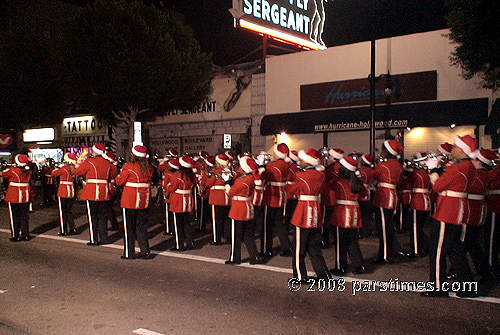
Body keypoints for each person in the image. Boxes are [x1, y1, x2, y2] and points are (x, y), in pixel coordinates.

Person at [421, 135, 478, 298]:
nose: (452, 149)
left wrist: (432, 170)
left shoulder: (457, 168)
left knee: (437, 250)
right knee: (456, 251)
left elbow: (438, 186)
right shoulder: (469, 166)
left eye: (455, 146)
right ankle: (468, 286)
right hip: (458, 210)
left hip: (447, 211)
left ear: (462, 150)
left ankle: (438, 287)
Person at [288, 148, 331, 281]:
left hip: (303, 213)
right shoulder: (321, 176)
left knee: (298, 249)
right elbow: (323, 191)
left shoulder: (301, 176)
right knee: (314, 247)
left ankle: (300, 276)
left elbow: (291, 192)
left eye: (302, 160)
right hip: (316, 212)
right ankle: (323, 274)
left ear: (308, 162)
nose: (300, 162)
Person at [224, 155, 265, 265]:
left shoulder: (242, 181)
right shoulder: (252, 178)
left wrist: (227, 182)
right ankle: (254, 256)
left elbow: (230, 193)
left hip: (238, 209)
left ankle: (235, 258)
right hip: (248, 207)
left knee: (236, 236)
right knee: (248, 235)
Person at [115, 145, 154, 259]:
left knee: (129, 228)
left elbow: (119, 181)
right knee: (142, 227)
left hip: (130, 200)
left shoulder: (129, 167)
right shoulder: (149, 168)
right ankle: (145, 251)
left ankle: (129, 253)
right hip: (144, 200)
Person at [330, 156, 367, 275]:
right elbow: (364, 195)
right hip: (355, 212)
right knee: (352, 241)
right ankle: (359, 265)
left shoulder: (339, 182)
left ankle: (341, 266)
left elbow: (329, 185)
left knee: (340, 242)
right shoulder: (358, 182)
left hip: (341, 212)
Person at [74, 143, 116, 246]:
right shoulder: (107, 163)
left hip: (92, 191)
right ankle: (104, 238)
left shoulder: (90, 161)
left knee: (92, 217)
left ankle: (94, 239)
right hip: (104, 192)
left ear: (95, 151)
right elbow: (113, 174)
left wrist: (77, 165)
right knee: (103, 217)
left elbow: (77, 172)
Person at [372, 139, 406, 264]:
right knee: (388, 226)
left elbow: (374, 175)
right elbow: (401, 181)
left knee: (383, 228)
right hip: (393, 196)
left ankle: (385, 255)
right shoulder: (398, 165)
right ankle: (391, 251)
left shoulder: (383, 165)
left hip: (383, 197)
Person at [261, 143, 293, 257]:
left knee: (267, 225)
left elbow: (263, 178)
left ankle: (266, 249)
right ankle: (286, 247)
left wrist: (261, 166)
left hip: (271, 197)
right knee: (279, 224)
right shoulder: (286, 164)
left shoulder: (272, 165)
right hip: (282, 195)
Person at [167, 155, 196, 251]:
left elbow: (170, 188)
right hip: (188, 200)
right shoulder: (192, 176)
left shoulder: (177, 176)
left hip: (178, 201)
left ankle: (179, 245)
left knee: (177, 224)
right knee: (187, 223)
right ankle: (190, 242)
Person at [2, 154, 32, 241]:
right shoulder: (28, 171)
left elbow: (4, 174)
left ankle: (16, 235)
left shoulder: (12, 170)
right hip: (25, 195)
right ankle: (25, 234)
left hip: (14, 195)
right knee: (24, 216)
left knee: (14, 216)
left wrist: (9, 167)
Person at [205, 153, 232, 245]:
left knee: (217, 220)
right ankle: (228, 237)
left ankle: (217, 239)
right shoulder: (230, 172)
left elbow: (208, 184)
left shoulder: (215, 172)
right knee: (226, 220)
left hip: (216, 199)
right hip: (227, 198)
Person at [408, 153, 431, 257]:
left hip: (418, 202)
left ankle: (416, 250)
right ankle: (425, 246)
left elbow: (405, 183)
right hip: (426, 201)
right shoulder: (427, 173)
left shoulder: (416, 174)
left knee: (414, 228)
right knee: (420, 227)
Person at [320, 148, 344, 248]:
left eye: (330, 156)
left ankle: (325, 240)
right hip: (339, 196)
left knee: (325, 220)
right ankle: (336, 238)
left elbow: (327, 182)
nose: (328, 157)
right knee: (335, 220)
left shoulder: (330, 168)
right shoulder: (343, 167)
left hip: (329, 196)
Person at [51, 153, 78, 236]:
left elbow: (53, 174)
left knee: (62, 212)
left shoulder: (64, 169)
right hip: (71, 190)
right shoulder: (74, 169)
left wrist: (57, 167)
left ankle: (63, 230)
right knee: (69, 211)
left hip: (63, 190)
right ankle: (72, 228)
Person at [358, 154, 376, 237]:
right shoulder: (372, 171)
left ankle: (362, 231)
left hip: (362, 193)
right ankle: (368, 230)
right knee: (368, 214)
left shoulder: (362, 171)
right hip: (369, 191)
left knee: (362, 214)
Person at [103, 151, 119, 231]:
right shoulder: (113, 166)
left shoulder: (111, 167)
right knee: (109, 208)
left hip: (109, 187)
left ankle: (113, 224)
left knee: (107, 208)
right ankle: (114, 224)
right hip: (111, 187)